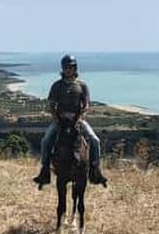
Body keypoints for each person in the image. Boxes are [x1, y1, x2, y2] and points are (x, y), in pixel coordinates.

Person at [33, 54, 108, 187]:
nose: (69, 70)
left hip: (77, 120)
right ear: (63, 69)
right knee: (46, 141)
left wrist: (80, 118)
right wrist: (56, 119)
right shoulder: (57, 86)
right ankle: (44, 171)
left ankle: (96, 170)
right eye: (66, 67)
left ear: (75, 68)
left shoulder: (82, 86)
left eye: (71, 67)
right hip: (60, 121)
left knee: (95, 140)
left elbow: (86, 105)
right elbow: (51, 105)